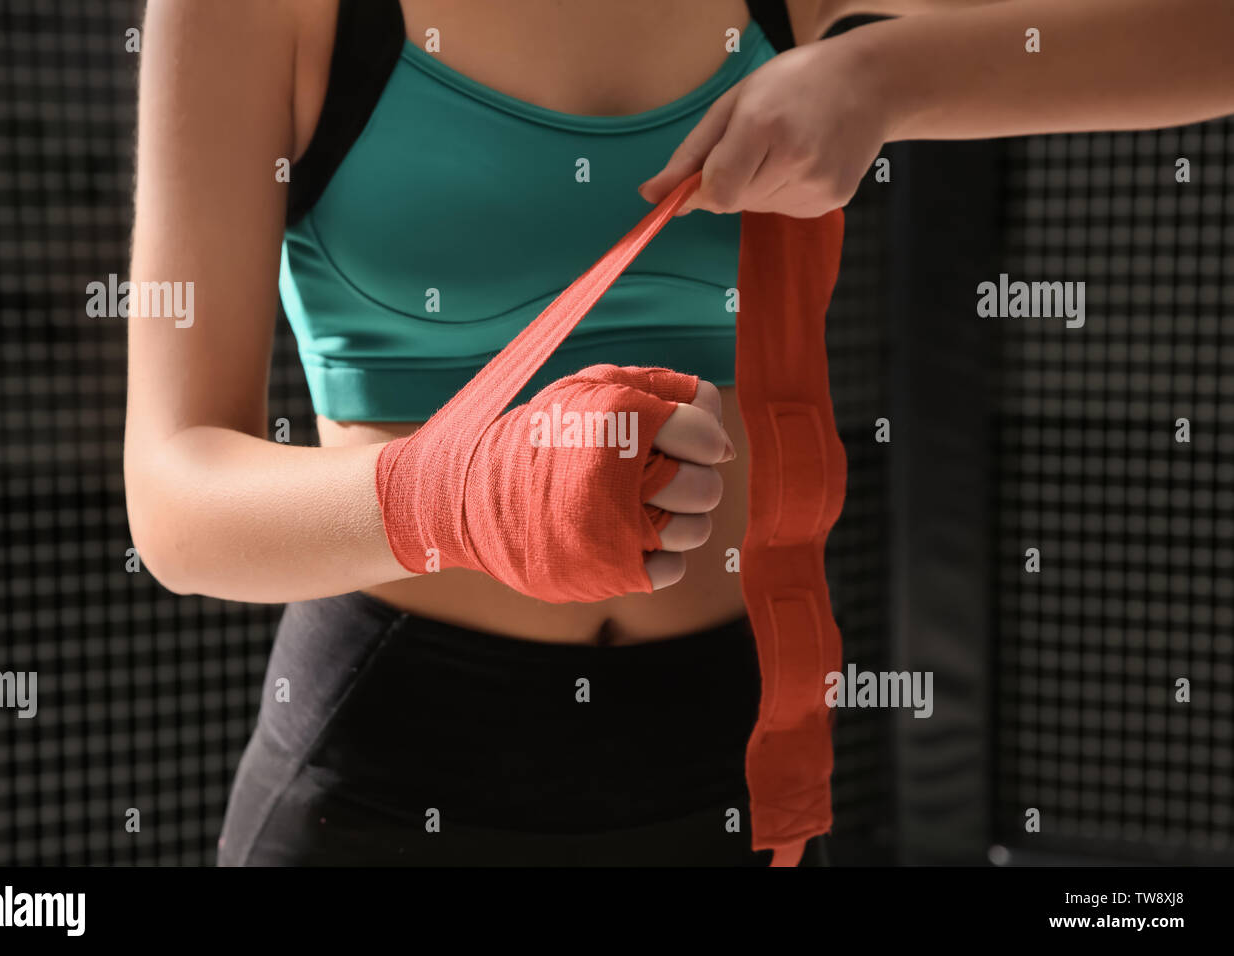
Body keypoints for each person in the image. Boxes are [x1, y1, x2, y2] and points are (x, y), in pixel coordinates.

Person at [125, 0, 1234, 865]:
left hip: (727, 760)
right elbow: (175, 504)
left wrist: (881, 73)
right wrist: (474, 493)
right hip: (383, 767)